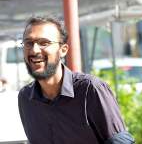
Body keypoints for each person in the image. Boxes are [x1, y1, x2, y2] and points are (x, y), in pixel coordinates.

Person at [18, 16, 135, 144]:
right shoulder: (26, 99)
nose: (34, 50)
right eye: (29, 43)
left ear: (63, 50)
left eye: (44, 43)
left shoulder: (90, 90)